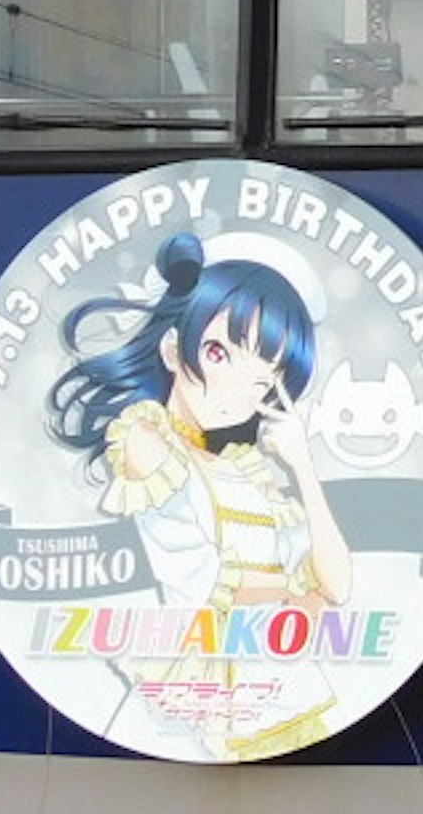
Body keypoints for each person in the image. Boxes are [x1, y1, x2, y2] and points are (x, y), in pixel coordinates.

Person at [45, 233, 352, 613]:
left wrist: (302, 465)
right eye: (219, 353)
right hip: (206, 661)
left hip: (277, 661)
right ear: (173, 349)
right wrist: (298, 585)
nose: (234, 392)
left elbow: (337, 587)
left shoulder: (245, 469)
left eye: (263, 380)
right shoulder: (146, 440)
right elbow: (202, 578)